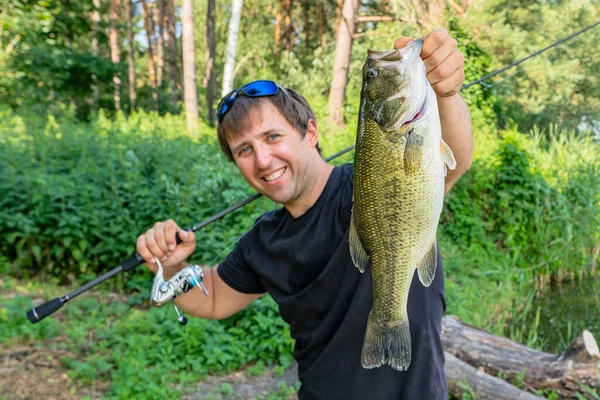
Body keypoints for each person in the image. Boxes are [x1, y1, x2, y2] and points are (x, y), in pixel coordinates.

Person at [137, 28, 474, 399]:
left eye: (272, 137)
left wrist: (446, 92)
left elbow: (454, 160)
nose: (262, 160)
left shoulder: (365, 185)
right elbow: (214, 296)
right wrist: (170, 269)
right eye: (243, 151)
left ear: (310, 132)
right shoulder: (263, 242)